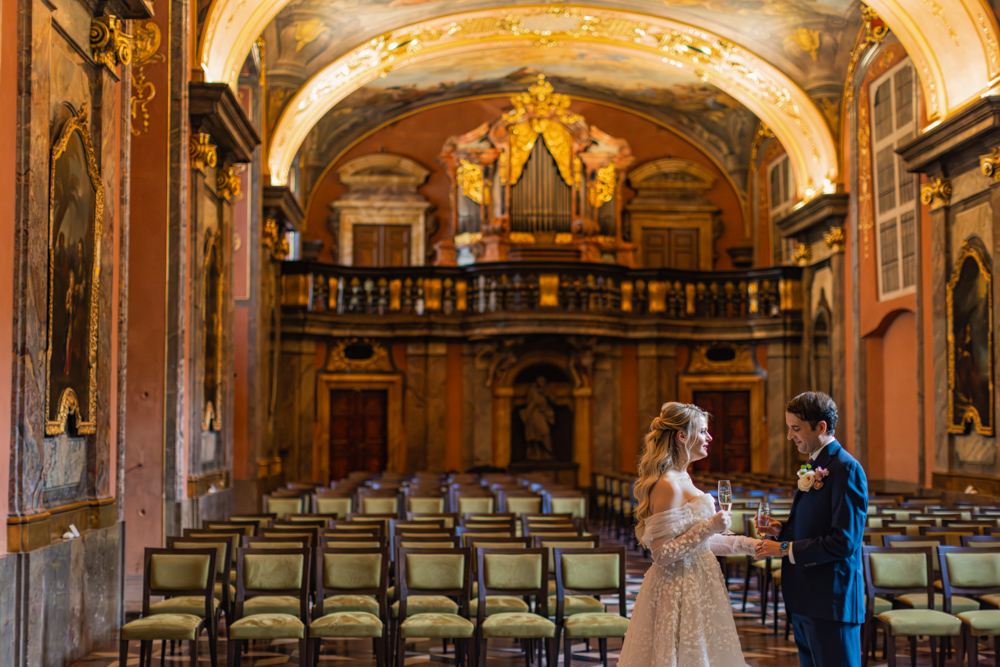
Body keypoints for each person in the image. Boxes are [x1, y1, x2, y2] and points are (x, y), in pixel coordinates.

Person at [617, 402, 762, 667]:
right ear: (682, 436)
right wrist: (708, 526)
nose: (710, 437)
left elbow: (702, 545)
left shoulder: (683, 476)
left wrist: (750, 545)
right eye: (703, 431)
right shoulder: (668, 484)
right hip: (679, 588)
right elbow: (662, 554)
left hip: (700, 583)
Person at [755, 391, 868, 667]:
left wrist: (784, 548)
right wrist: (782, 531)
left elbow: (844, 542)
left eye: (796, 428)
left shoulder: (845, 469)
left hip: (831, 601)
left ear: (821, 427)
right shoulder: (815, 465)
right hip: (807, 598)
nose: (790, 436)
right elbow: (818, 525)